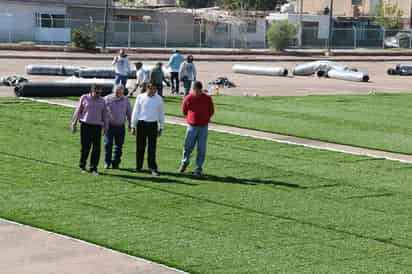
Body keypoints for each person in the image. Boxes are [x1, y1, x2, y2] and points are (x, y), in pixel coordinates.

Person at [71, 85, 109, 175]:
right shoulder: (84, 98)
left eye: (100, 92)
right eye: (96, 92)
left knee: (96, 148)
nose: (98, 94)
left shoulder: (102, 101)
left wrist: (106, 127)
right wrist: (74, 123)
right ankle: (82, 166)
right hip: (86, 125)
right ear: (92, 91)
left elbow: (105, 115)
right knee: (85, 147)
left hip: (97, 126)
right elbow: (78, 110)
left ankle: (93, 168)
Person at [179, 81, 214, 177]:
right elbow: (184, 110)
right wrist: (190, 118)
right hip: (192, 126)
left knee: (201, 149)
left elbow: (211, 110)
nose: (197, 93)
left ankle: (198, 168)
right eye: (196, 91)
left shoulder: (207, 98)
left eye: (199, 91)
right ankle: (184, 163)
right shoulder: (188, 98)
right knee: (187, 147)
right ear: (193, 89)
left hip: (203, 127)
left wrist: (205, 118)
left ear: (201, 90)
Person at [131, 84, 165, 176]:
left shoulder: (159, 99)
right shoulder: (140, 97)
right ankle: (139, 167)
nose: (153, 91)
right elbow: (135, 111)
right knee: (140, 147)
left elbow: (161, 113)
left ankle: (152, 168)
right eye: (151, 89)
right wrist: (133, 126)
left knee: (152, 148)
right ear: (147, 88)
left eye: (155, 89)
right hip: (141, 124)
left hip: (153, 125)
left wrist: (161, 127)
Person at [104, 85, 132, 169]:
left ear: (123, 92)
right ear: (113, 91)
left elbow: (129, 113)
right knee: (108, 145)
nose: (118, 94)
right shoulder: (107, 99)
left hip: (120, 126)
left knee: (119, 146)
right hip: (109, 126)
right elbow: (102, 112)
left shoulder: (126, 100)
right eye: (117, 92)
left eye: (120, 92)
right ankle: (107, 162)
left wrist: (131, 124)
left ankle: (116, 163)